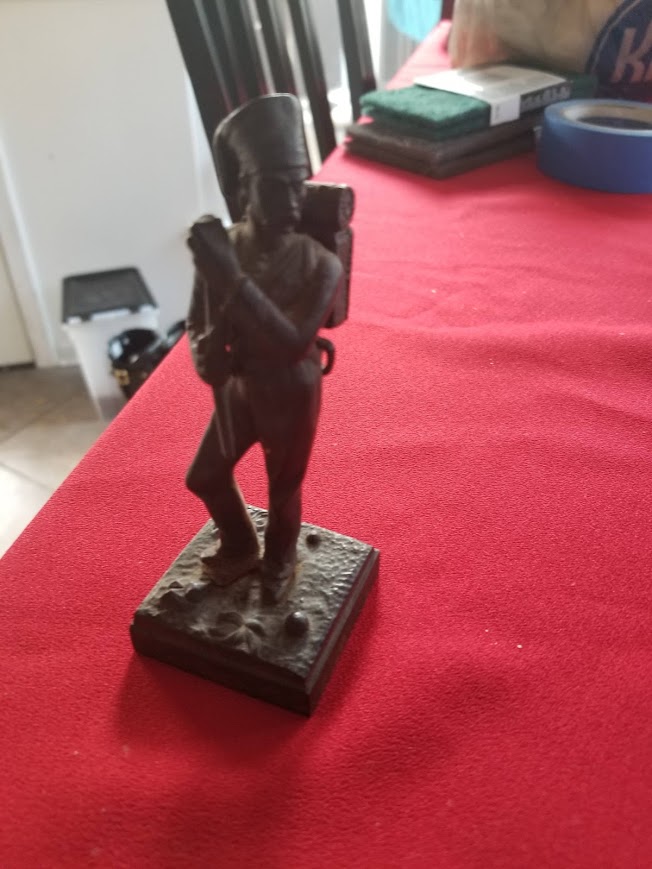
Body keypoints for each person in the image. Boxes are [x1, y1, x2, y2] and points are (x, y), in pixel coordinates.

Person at [185, 94, 343, 591]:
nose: (292, 201)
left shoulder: (321, 264)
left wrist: (232, 280)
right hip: (239, 386)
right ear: (243, 189)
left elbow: (293, 341)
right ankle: (238, 544)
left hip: (291, 388)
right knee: (205, 476)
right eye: (276, 187)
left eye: (299, 186)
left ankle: (279, 560)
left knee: (283, 488)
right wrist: (204, 352)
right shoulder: (223, 247)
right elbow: (196, 324)